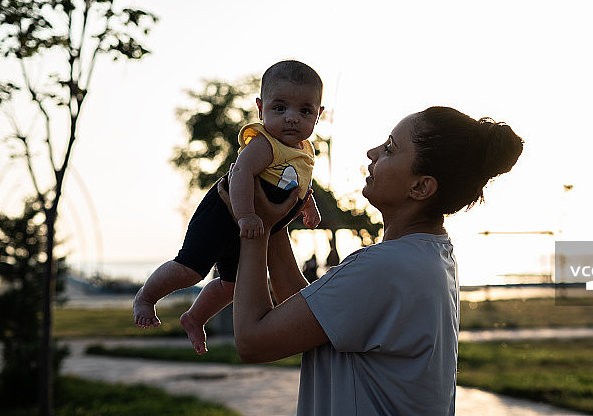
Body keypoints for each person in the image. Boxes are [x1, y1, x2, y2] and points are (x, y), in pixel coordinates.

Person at [222, 106, 523, 415]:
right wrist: (273, 221)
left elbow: (253, 342)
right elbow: (311, 316)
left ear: (420, 187)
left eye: (390, 148)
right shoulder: (430, 254)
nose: (372, 152)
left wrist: (253, 229)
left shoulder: (384, 268)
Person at [133, 60, 325, 354]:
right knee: (191, 270)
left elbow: (297, 184)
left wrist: (308, 206)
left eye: (304, 111)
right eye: (279, 108)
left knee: (232, 286)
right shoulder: (264, 143)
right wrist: (246, 214)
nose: (291, 119)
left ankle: (195, 318)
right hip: (224, 213)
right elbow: (240, 174)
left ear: (318, 114)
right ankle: (146, 297)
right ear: (261, 109)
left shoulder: (305, 151)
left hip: (251, 226)